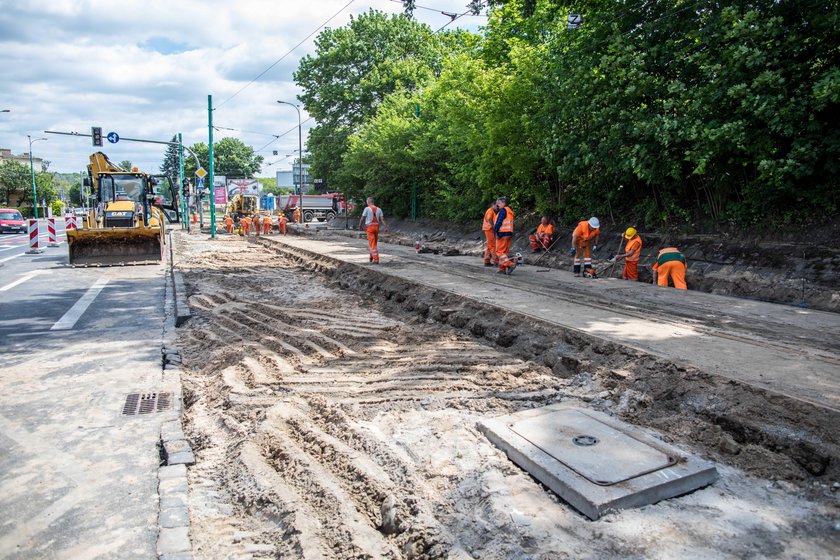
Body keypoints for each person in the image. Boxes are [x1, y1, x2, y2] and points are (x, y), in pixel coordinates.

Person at [358, 197, 387, 263]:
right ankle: (371, 257)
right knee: (374, 243)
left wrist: (360, 225)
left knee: (372, 243)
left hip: (370, 228)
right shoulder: (379, 209)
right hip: (376, 227)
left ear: (368, 202)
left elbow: (363, 218)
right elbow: (382, 219)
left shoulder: (367, 209)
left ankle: (376, 259)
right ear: (373, 202)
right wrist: (385, 227)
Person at [494, 197, 516, 274]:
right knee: (504, 253)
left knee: (499, 252)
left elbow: (499, 222)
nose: (497, 205)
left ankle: (510, 264)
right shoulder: (509, 211)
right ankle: (502, 269)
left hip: (502, 233)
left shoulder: (503, 211)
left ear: (504, 203)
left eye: (499, 203)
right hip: (508, 233)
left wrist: (496, 231)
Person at [482, 200, 499, 267]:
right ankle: (496, 262)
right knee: (493, 246)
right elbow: (489, 219)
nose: (498, 207)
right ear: (493, 205)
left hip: (488, 230)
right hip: (489, 230)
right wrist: (493, 226)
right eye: (497, 206)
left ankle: (487, 261)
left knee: (489, 247)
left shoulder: (491, 211)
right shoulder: (490, 211)